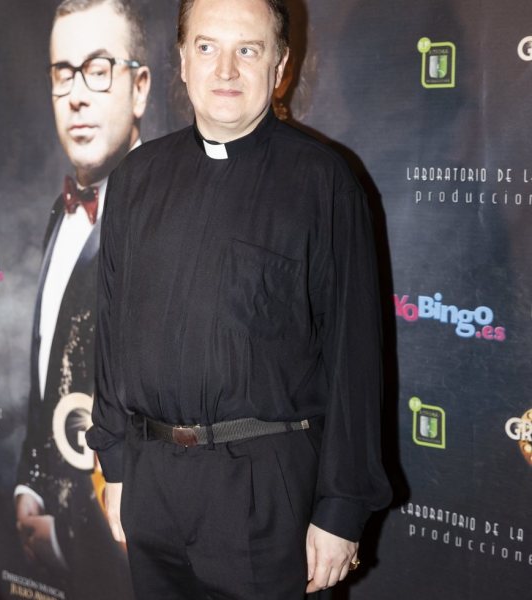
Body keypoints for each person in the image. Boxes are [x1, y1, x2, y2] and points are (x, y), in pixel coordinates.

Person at [87, 0, 391, 597]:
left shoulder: (324, 183)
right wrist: (115, 465)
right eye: (207, 47)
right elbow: (111, 333)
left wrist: (341, 508)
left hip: (265, 492)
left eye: (247, 50)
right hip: (151, 488)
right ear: (182, 59)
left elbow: (354, 360)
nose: (225, 69)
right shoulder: (134, 179)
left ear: (280, 64)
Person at [14, 0, 150, 597]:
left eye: (97, 69)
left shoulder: (166, 221)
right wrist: (31, 486)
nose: (75, 95)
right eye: (62, 73)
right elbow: (51, 375)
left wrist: (78, 535)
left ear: (140, 88)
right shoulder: (60, 214)